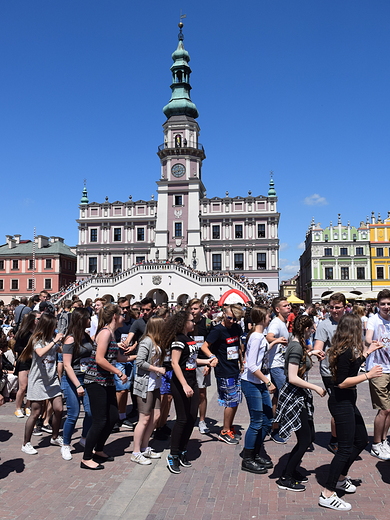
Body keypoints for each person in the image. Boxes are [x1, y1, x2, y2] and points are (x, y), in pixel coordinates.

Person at [319, 313, 383, 511]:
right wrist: (368, 375)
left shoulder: (345, 349)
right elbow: (342, 382)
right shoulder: (344, 351)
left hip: (347, 402)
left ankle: (339, 478)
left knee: (361, 440)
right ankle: (328, 493)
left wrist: (368, 352)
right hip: (341, 403)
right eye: (360, 328)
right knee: (345, 448)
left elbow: (351, 368)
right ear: (354, 330)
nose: (362, 331)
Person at [275, 315, 326, 492]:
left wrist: (310, 353)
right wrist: (315, 387)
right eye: (312, 328)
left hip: (299, 396)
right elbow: (293, 377)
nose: (313, 331)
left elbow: (297, 360)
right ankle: (285, 477)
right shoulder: (296, 346)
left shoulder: (296, 343)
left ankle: (291, 470)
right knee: (305, 439)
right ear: (305, 329)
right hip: (294, 396)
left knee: (309, 436)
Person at [81, 303, 132, 470]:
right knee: (100, 420)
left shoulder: (111, 334)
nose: (125, 316)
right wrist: (119, 372)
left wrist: (137, 356)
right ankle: (86, 457)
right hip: (95, 381)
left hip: (106, 380)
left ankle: (99, 449)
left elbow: (117, 357)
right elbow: (100, 359)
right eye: (122, 314)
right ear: (114, 317)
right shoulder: (104, 333)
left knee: (112, 416)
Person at [163, 310, 211, 474]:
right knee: (182, 419)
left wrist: (208, 361)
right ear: (183, 323)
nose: (194, 323)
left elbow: (192, 360)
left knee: (191, 418)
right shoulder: (178, 340)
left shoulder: (189, 339)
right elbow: (175, 364)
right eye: (191, 321)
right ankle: (173, 454)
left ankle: (183, 450)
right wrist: (184, 384)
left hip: (192, 382)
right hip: (181, 384)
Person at [20, 313, 64, 455]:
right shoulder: (37, 339)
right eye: (54, 325)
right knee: (36, 412)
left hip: (52, 379)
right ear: (48, 325)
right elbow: (40, 353)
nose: (56, 327)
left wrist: (65, 343)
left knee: (59, 409)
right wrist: (55, 341)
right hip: (38, 380)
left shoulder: (52, 338)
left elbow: (60, 350)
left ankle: (55, 437)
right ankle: (26, 443)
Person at [240, 305, 276, 474]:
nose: (270, 318)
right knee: (257, 421)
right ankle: (248, 458)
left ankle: (255, 452)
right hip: (252, 382)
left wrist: (274, 342)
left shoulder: (259, 336)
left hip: (259, 382)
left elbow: (260, 354)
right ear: (262, 318)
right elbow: (252, 365)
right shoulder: (255, 337)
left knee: (268, 419)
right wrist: (267, 382)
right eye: (269, 316)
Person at [201, 304, 243, 445]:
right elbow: (204, 346)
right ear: (224, 314)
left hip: (235, 368)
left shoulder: (236, 328)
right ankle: (224, 431)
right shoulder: (217, 330)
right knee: (230, 401)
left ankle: (229, 426)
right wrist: (212, 358)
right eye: (230, 318)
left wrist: (242, 362)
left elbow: (238, 347)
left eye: (235, 319)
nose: (232, 321)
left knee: (236, 400)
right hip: (224, 370)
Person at [313, 293, 346, 454]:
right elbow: (318, 345)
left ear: (344, 307)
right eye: (331, 307)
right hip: (329, 371)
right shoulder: (324, 325)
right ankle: (335, 440)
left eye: (337, 307)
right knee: (337, 404)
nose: (334, 310)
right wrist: (318, 351)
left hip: (347, 370)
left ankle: (344, 435)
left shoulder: (349, 323)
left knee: (347, 403)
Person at [132, 316, 166, 464]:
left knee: (156, 415)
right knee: (144, 418)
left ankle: (145, 446)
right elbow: (139, 361)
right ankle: (136, 451)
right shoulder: (146, 341)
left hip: (155, 383)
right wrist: (156, 368)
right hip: (145, 383)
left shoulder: (158, 341)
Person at [61, 308, 93, 461]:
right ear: (82, 320)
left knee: (90, 412)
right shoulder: (70, 339)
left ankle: (84, 437)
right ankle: (66, 444)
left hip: (86, 378)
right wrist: (78, 385)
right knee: (73, 414)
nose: (91, 320)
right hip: (72, 380)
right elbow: (67, 365)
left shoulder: (86, 336)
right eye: (88, 318)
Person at [365, 289, 390, 460]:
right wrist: (372, 342)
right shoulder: (373, 320)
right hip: (378, 368)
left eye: (389, 304)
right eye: (383, 304)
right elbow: (367, 338)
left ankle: (383, 440)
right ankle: (375, 443)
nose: (386, 307)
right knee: (384, 409)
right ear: (377, 305)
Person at [265, 297, 291, 443]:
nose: (288, 307)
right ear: (277, 309)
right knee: (285, 396)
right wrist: (276, 340)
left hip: (280, 364)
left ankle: (273, 424)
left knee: (278, 397)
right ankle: (275, 429)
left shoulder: (282, 322)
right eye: (285, 306)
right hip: (275, 366)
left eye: (288, 305)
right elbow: (269, 336)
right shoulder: (276, 323)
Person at [187, 298, 212, 434]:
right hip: (188, 362)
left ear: (201, 309)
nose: (193, 311)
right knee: (188, 392)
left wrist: (209, 363)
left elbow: (211, 343)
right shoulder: (186, 323)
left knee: (202, 393)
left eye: (195, 308)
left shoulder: (207, 324)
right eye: (191, 308)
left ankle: (202, 420)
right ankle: (189, 418)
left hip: (203, 362)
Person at [13, 311, 39, 418]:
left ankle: (27, 406)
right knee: (23, 386)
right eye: (38, 319)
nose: (39, 321)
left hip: (34, 361)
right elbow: (16, 347)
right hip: (24, 360)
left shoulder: (38, 332)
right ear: (33, 320)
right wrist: (26, 351)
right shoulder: (23, 333)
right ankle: (18, 408)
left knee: (31, 386)